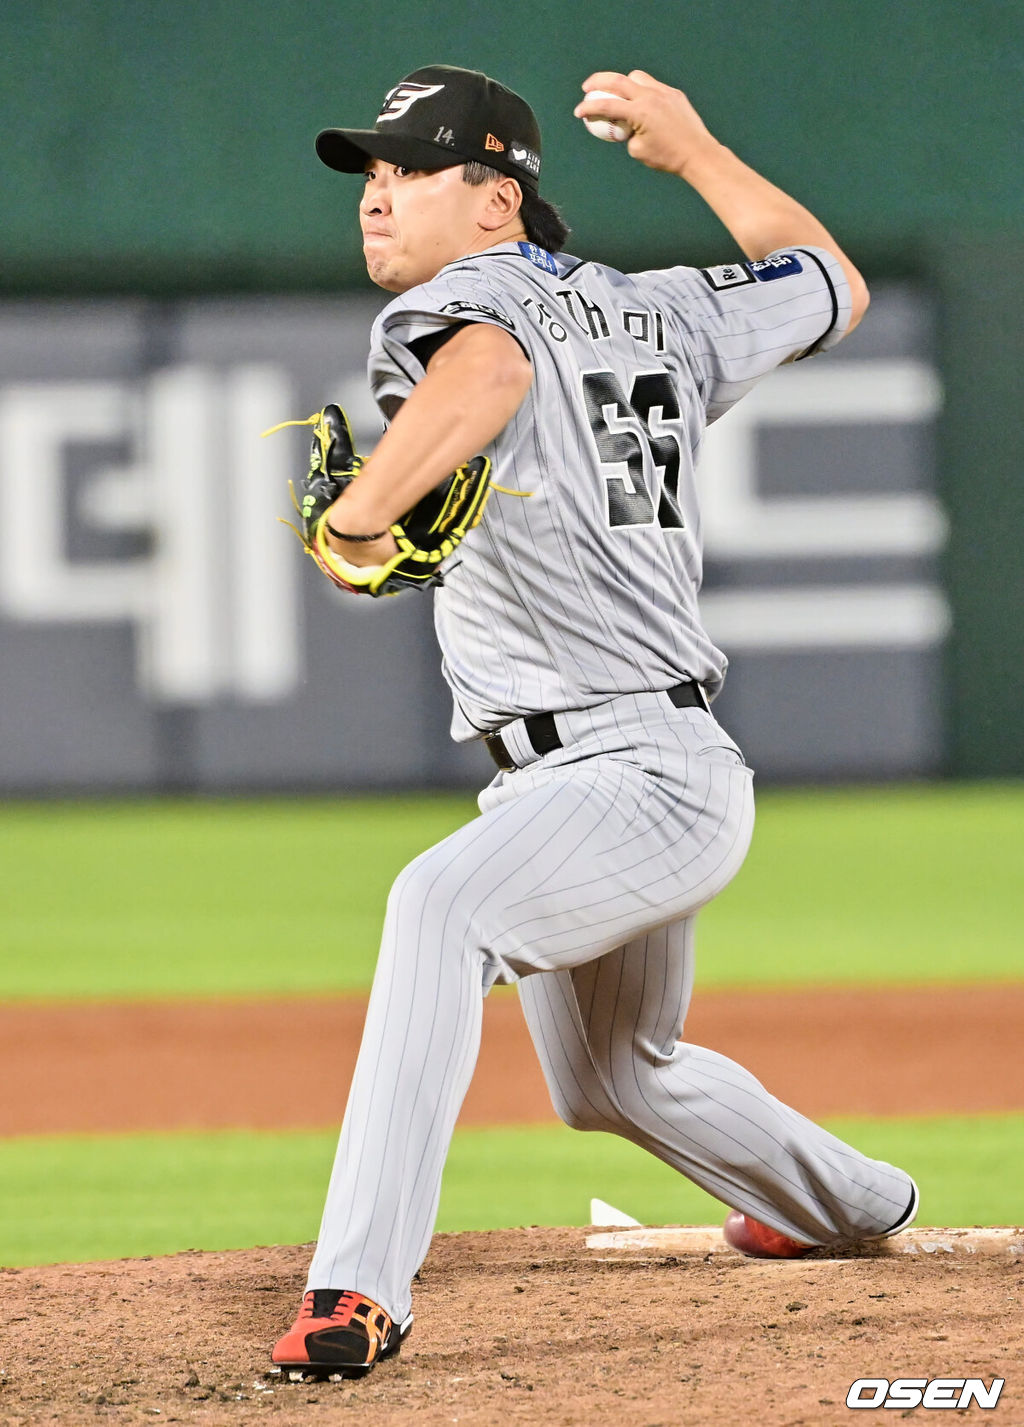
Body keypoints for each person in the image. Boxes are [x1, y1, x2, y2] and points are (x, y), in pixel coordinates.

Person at [270, 63, 918, 1378]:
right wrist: (693, 150)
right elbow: (828, 282)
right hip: (626, 775)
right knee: (615, 1076)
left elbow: (495, 371)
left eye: (412, 172)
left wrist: (359, 515)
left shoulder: (469, 300)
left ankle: (355, 1291)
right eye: (370, 175)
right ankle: (852, 1202)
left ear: (498, 199)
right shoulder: (663, 310)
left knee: (437, 909)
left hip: (628, 773)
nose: (378, 200)